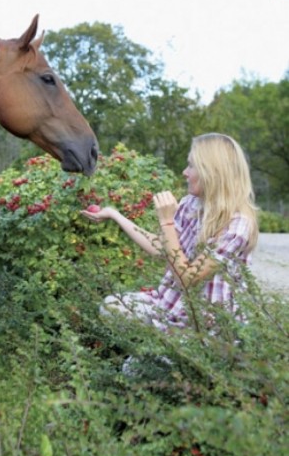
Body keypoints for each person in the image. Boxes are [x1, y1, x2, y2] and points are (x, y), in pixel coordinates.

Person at [81, 133, 259, 332]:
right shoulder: (191, 204)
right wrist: (116, 215)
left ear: (212, 171)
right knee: (112, 306)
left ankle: (166, 355)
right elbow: (161, 247)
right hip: (170, 304)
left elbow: (188, 280)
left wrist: (166, 221)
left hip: (205, 322)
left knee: (139, 360)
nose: (185, 172)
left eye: (191, 165)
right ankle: (154, 352)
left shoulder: (237, 225)